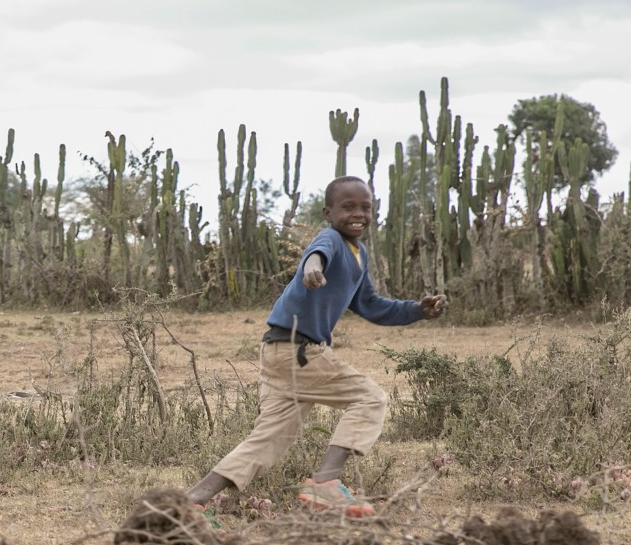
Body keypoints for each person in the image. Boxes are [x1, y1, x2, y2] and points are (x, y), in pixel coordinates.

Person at [185, 176, 448, 518]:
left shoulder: (359, 253)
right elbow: (315, 255)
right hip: (299, 350)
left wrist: (416, 310)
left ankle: (190, 501)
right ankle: (325, 483)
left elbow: (370, 305)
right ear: (328, 213)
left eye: (365, 207)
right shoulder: (331, 240)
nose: (358, 214)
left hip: (280, 352)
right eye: (348, 207)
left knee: (268, 441)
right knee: (370, 398)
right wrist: (311, 270)